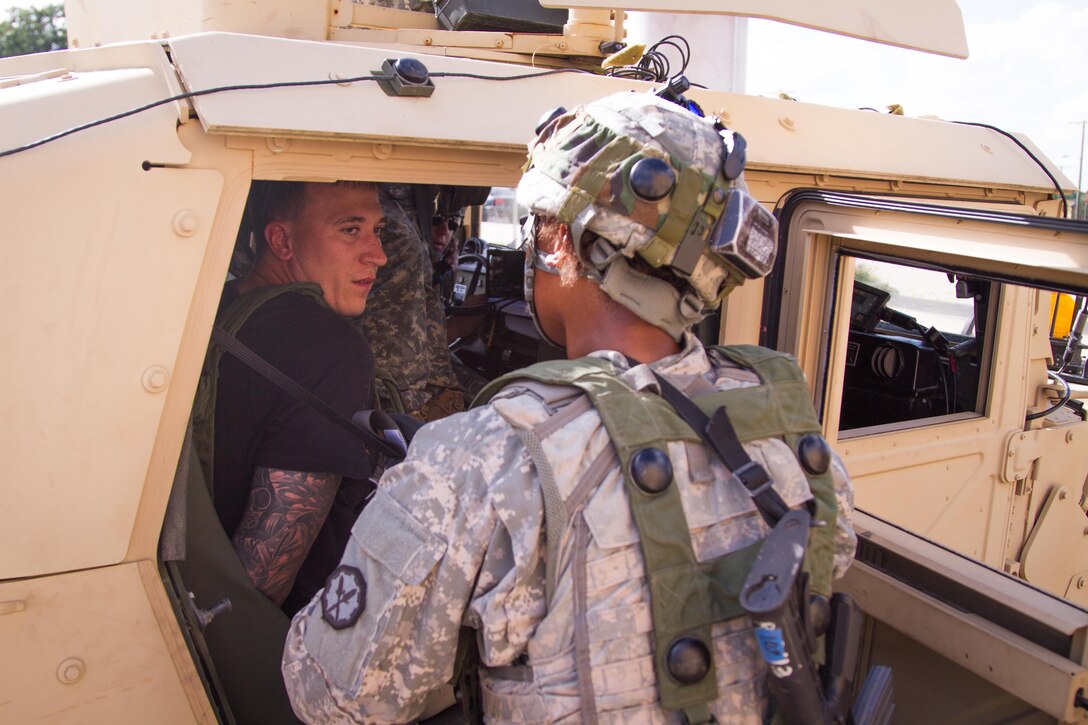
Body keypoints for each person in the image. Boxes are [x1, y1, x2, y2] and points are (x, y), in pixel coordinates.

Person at [282, 91, 857, 723]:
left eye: (537, 229)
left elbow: (331, 699)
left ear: (560, 239)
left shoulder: (477, 460)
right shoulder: (792, 432)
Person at [193, 179, 388, 617]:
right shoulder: (328, 348)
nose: (379, 255)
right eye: (350, 230)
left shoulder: (216, 303)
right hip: (286, 641)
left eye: (378, 231)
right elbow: (259, 587)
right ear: (281, 240)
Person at [359, 183, 488, 421]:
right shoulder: (400, 239)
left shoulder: (423, 255)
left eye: (452, 224)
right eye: (437, 219)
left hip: (426, 387)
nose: (443, 231)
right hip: (400, 399)